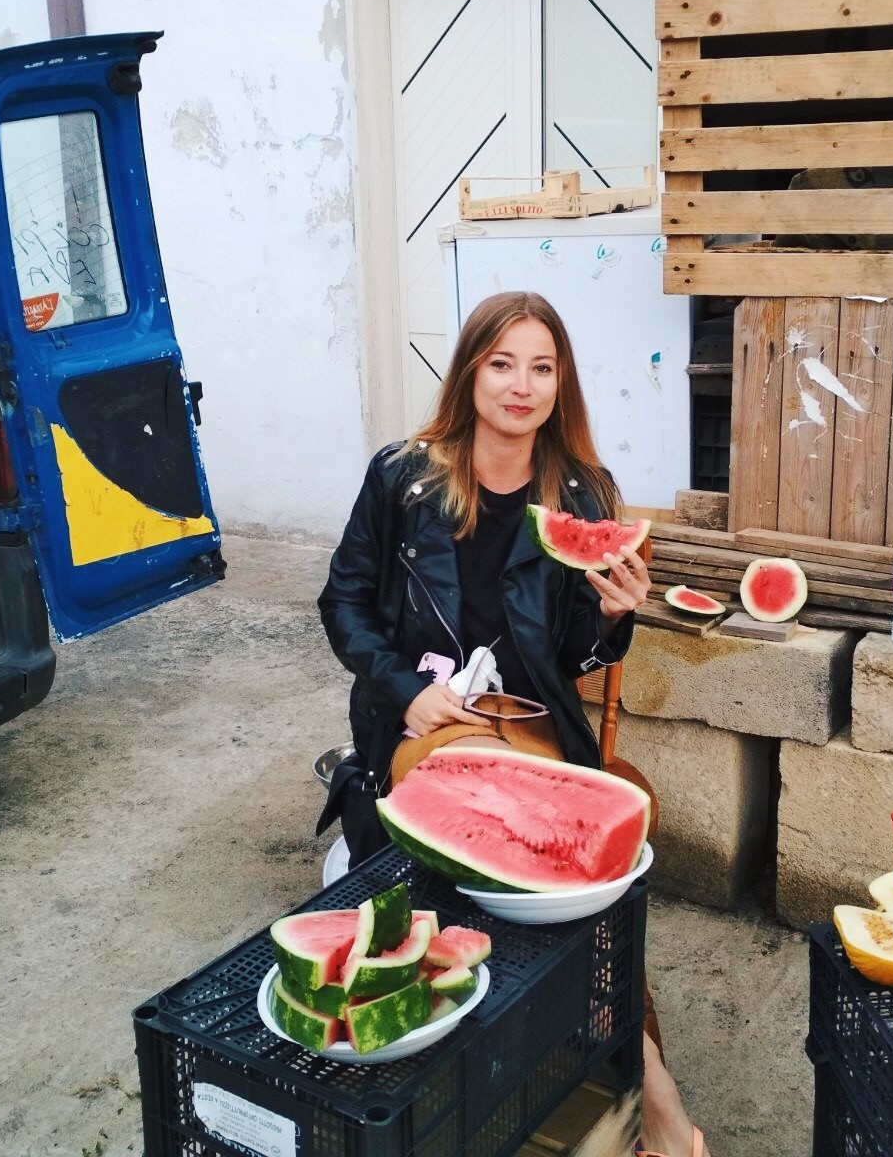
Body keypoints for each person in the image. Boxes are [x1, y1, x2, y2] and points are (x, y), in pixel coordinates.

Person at [315, 290, 707, 1157]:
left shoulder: (584, 491)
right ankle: (638, 1098)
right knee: (507, 886)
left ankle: (649, 1088)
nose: (520, 386)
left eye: (541, 366)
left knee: (576, 899)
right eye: (502, 363)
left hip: (535, 732)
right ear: (471, 373)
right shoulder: (401, 477)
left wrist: (611, 619)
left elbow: (570, 653)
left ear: (559, 382)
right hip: (426, 726)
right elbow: (343, 602)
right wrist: (400, 687)